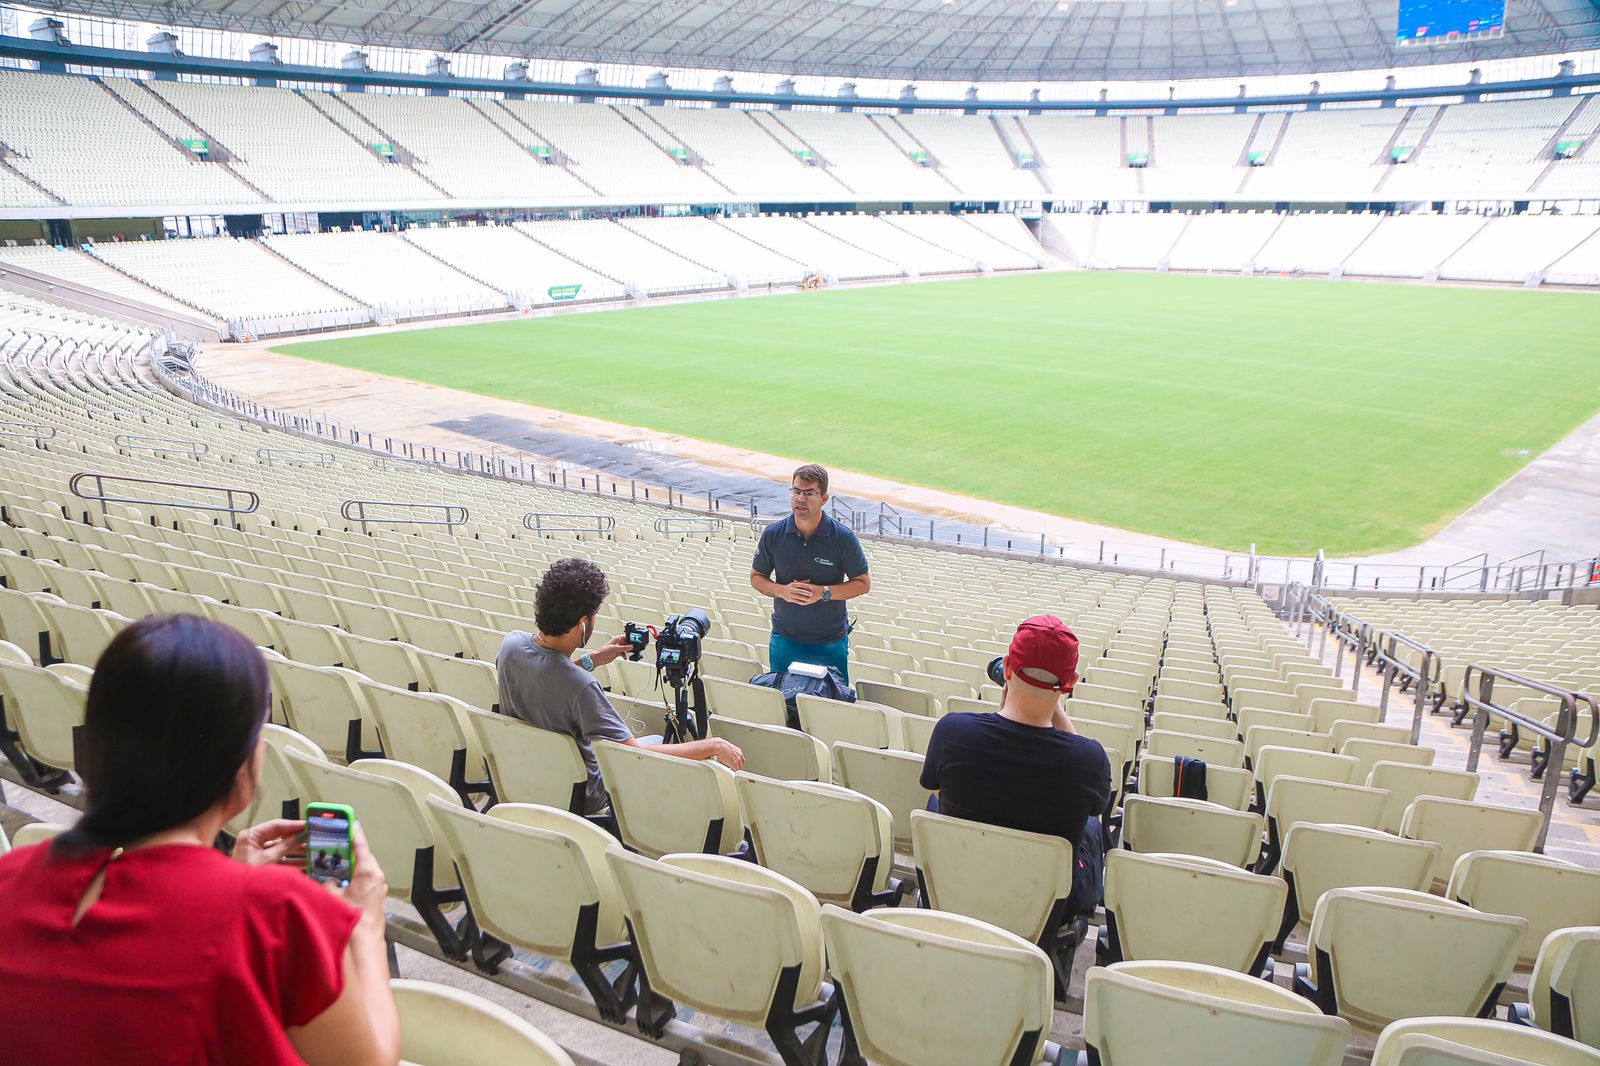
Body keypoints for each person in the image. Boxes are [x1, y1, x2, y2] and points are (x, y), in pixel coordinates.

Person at [0, 614, 400, 1066]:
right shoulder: (279, 914)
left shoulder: (10, 874)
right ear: (242, 764)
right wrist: (363, 922)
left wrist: (235, 881)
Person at [497, 557, 744, 816]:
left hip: (525, 768)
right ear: (583, 623)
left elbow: (546, 676)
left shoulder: (510, 645)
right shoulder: (581, 688)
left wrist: (593, 659)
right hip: (581, 793)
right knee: (662, 744)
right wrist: (712, 745)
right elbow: (633, 755)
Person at [918, 614, 1109, 918]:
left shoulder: (952, 731)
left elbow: (940, 793)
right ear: (1069, 684)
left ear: (1006, 668)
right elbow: (1095, 798)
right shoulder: (1089, 760)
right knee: (1092, 826)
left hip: (963, 878)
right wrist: (1053, 705)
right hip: (1046, 904)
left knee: (934, 802)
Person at [750, 463, 871, 681]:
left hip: (829, 642)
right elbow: (757, 577)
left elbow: (862, 583)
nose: (800, 499)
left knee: (831, 705)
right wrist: (783, 591)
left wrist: (822, 592)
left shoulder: (842, 538)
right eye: (796, 491)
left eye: (809, 493)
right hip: (784, 638)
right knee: (782, 702)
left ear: (824, 499)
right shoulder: (773, 534)